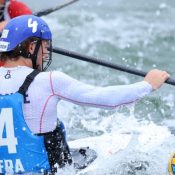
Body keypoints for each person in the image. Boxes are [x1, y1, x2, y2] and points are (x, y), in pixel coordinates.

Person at [0, 15, 170, 174]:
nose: (45, 54)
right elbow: (105, 98)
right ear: (31, 47)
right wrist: (147, 85)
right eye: (44, 48)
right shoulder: (49, 80)